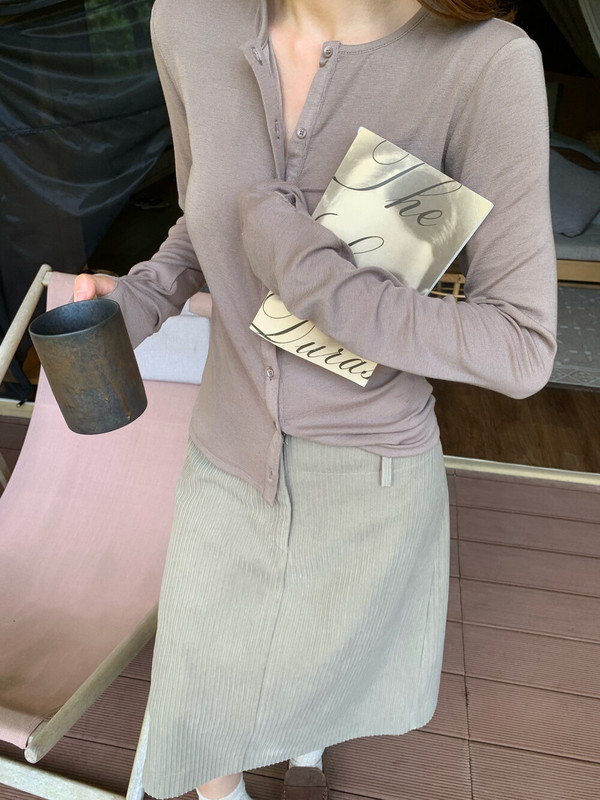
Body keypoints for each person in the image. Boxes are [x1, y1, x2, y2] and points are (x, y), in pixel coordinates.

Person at [74, 1, 557, 798]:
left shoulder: (485, 63)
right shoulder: (189, 22)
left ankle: (306, 756)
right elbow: (202, 215)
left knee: (321, 677)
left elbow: (521, 344)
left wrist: (307, 270)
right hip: (226, 450)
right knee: (201, 701)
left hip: (370, 478)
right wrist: (141, 299)